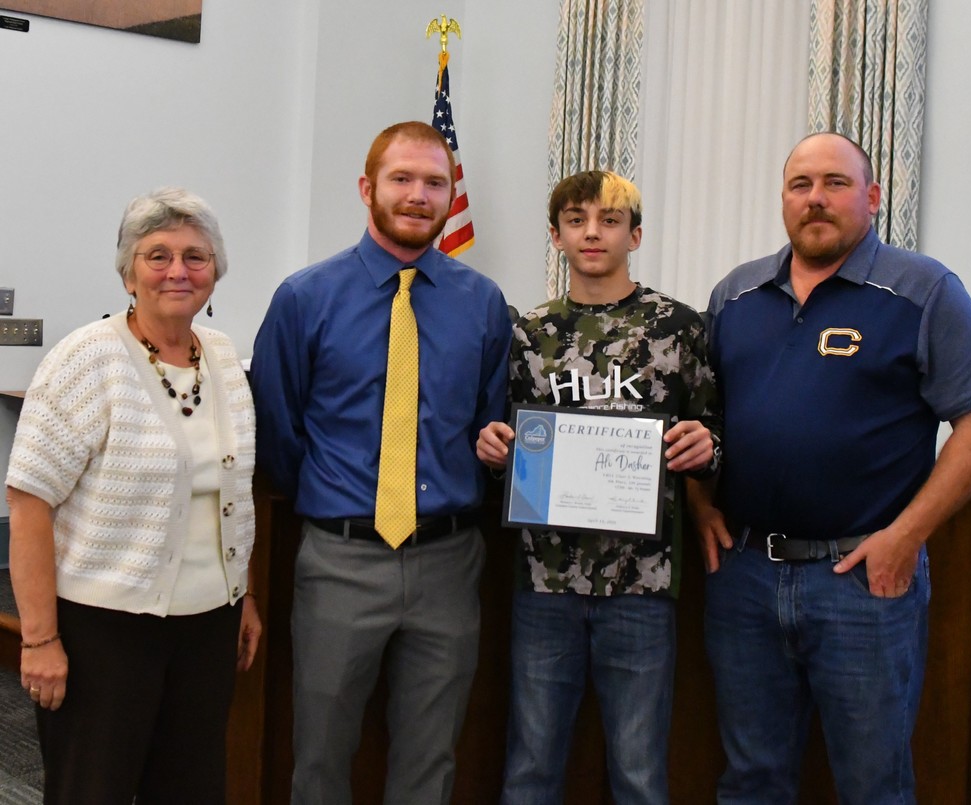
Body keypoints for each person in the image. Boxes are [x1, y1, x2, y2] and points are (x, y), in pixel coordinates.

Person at [690, 132, 971, 804]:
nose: (815, 199)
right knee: (751, 780)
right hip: (744, 578)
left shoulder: (923, 291)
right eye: (800, 184)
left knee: (873, 784)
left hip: (862, 581)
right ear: (784, 199)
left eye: (835, 183)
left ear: (870, 196)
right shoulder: (735, 296)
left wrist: (905, 537)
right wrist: (700, 506)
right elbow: (699, 420)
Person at [249, 121, 512, 805]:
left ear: (452, 195)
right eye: (402, 178)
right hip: (341, 560)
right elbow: (279, 431)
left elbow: (489, 424)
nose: (419, 195)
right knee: (321, 756)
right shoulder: (304, 297)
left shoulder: (482, 303)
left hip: (449, 562)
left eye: (435, 182)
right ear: (367, 188)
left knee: (431, 762)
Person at [5, 187, 261, 804]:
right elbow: (29, 503)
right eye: (157, 255)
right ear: (128, 273)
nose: (178, 271)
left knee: (192, 787)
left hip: (208, 625)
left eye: (195, 257)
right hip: (104, 632)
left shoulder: (223, 357)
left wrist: (242, 593)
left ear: (215, 273)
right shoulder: (85, 359)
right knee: (93, 789)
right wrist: (38, 639)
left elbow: (230, 495)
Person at [477, 170, 722, 804]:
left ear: (635, 235)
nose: (593, 232)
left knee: (639, 773)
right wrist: (495, 449)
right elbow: (509, 441)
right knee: (530, 766)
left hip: (643, 583)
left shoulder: (679, 327)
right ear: (555, 236)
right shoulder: (527, 333)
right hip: (544, 581)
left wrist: (708, 447)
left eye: (609, 221)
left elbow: (717, 434)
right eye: (577, 220)